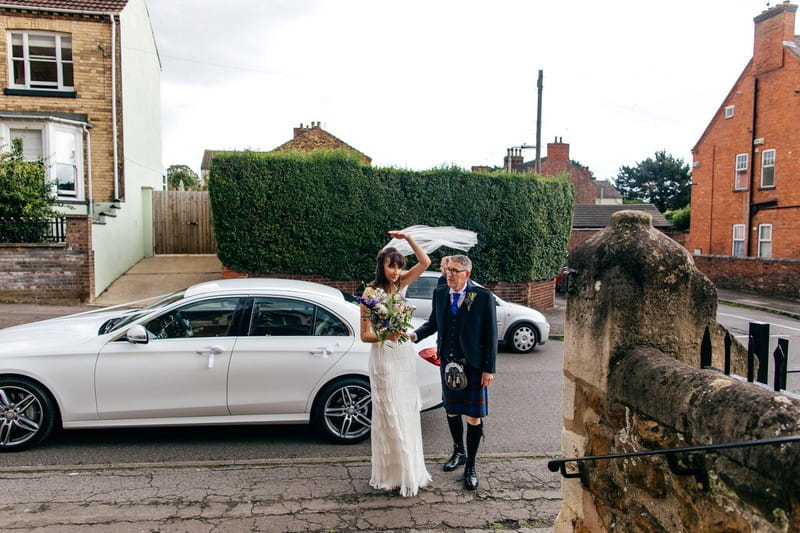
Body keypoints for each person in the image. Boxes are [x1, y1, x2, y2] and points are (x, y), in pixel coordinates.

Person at [411, 254, 497, 490]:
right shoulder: (440, 293)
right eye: (448, 269)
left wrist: (489, 369)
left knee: (473, 417)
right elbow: (433, 323)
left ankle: (470, 464)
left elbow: (490, 335)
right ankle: (458, 451)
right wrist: (415, 335)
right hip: (449, 364)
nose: (449, 273)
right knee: (451, 412)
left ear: (466, 274)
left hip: (473, 366)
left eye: (455, 270)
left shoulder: (481, 297)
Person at [360, 230, 432, 497]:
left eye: (399, 266)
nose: (396, 271)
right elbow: (364, 334)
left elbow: (425, 263)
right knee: (387, 413)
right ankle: (389, 473)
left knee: (405, 411)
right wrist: (383, 335)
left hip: (402, 356)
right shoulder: (370, 291)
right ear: (382, 265)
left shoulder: (400, 285)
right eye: (392, 266)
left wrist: (408, 240)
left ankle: (408, 471)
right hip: (382, 357)